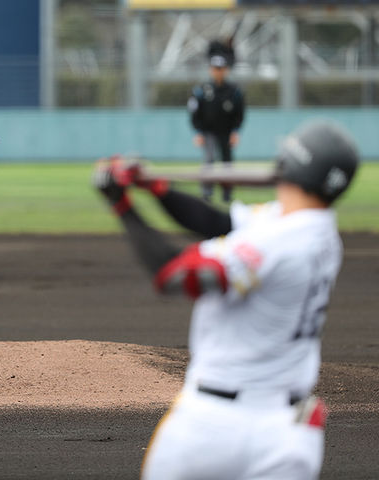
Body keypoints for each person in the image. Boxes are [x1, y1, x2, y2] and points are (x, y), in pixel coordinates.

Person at [93, 120, 359, 479]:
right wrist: (158, 189)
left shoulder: (279, 242)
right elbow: (217, 221)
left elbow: (172, 276)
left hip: (211, 427)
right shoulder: (315, 230)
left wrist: (121, 204)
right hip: (288, 436)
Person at [188, 39, 245, 203]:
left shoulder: (234, 91)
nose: (218, 72)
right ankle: (207, 193)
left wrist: (236, 131)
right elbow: (194, 112)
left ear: (225, 70)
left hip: (226, 132)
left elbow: (240, 113)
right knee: (209, 160)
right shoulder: (201, 90)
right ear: (210, 69)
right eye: (215, 68)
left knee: (227, 163)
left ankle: (227, 194)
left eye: (221, 69)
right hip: (208, 132)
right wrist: (198, 132)